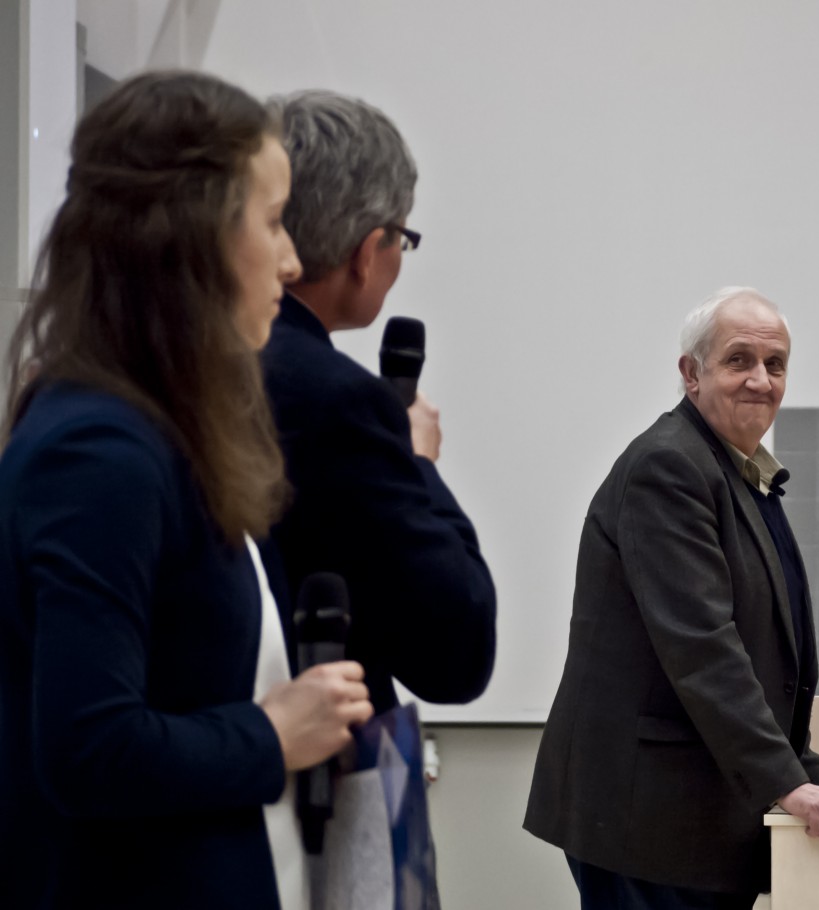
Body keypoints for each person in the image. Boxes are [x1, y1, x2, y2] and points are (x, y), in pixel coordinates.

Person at [0, 71, 374, 910]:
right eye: (273, 222)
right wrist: (272, 733)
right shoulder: (98, 453)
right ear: (188, 239)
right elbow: (88, 749)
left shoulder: (164, 428)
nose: (291, 259)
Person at [524, 287, 819, 909]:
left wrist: (810, 774)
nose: (761, 380)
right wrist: (786, 783)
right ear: (691, 373)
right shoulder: (669, 467)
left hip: (691, 816)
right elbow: (702, 648)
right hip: (647, 819)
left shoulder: (740, 472)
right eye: (739, 360)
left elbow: (761, 657)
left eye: (775, 364)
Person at [261, 91, 496, 714]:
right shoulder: (337, 402)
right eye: (402, 239)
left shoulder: (181, 355)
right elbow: (456, 651)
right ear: (367, 252)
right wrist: (417, 461)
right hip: (303, 750)